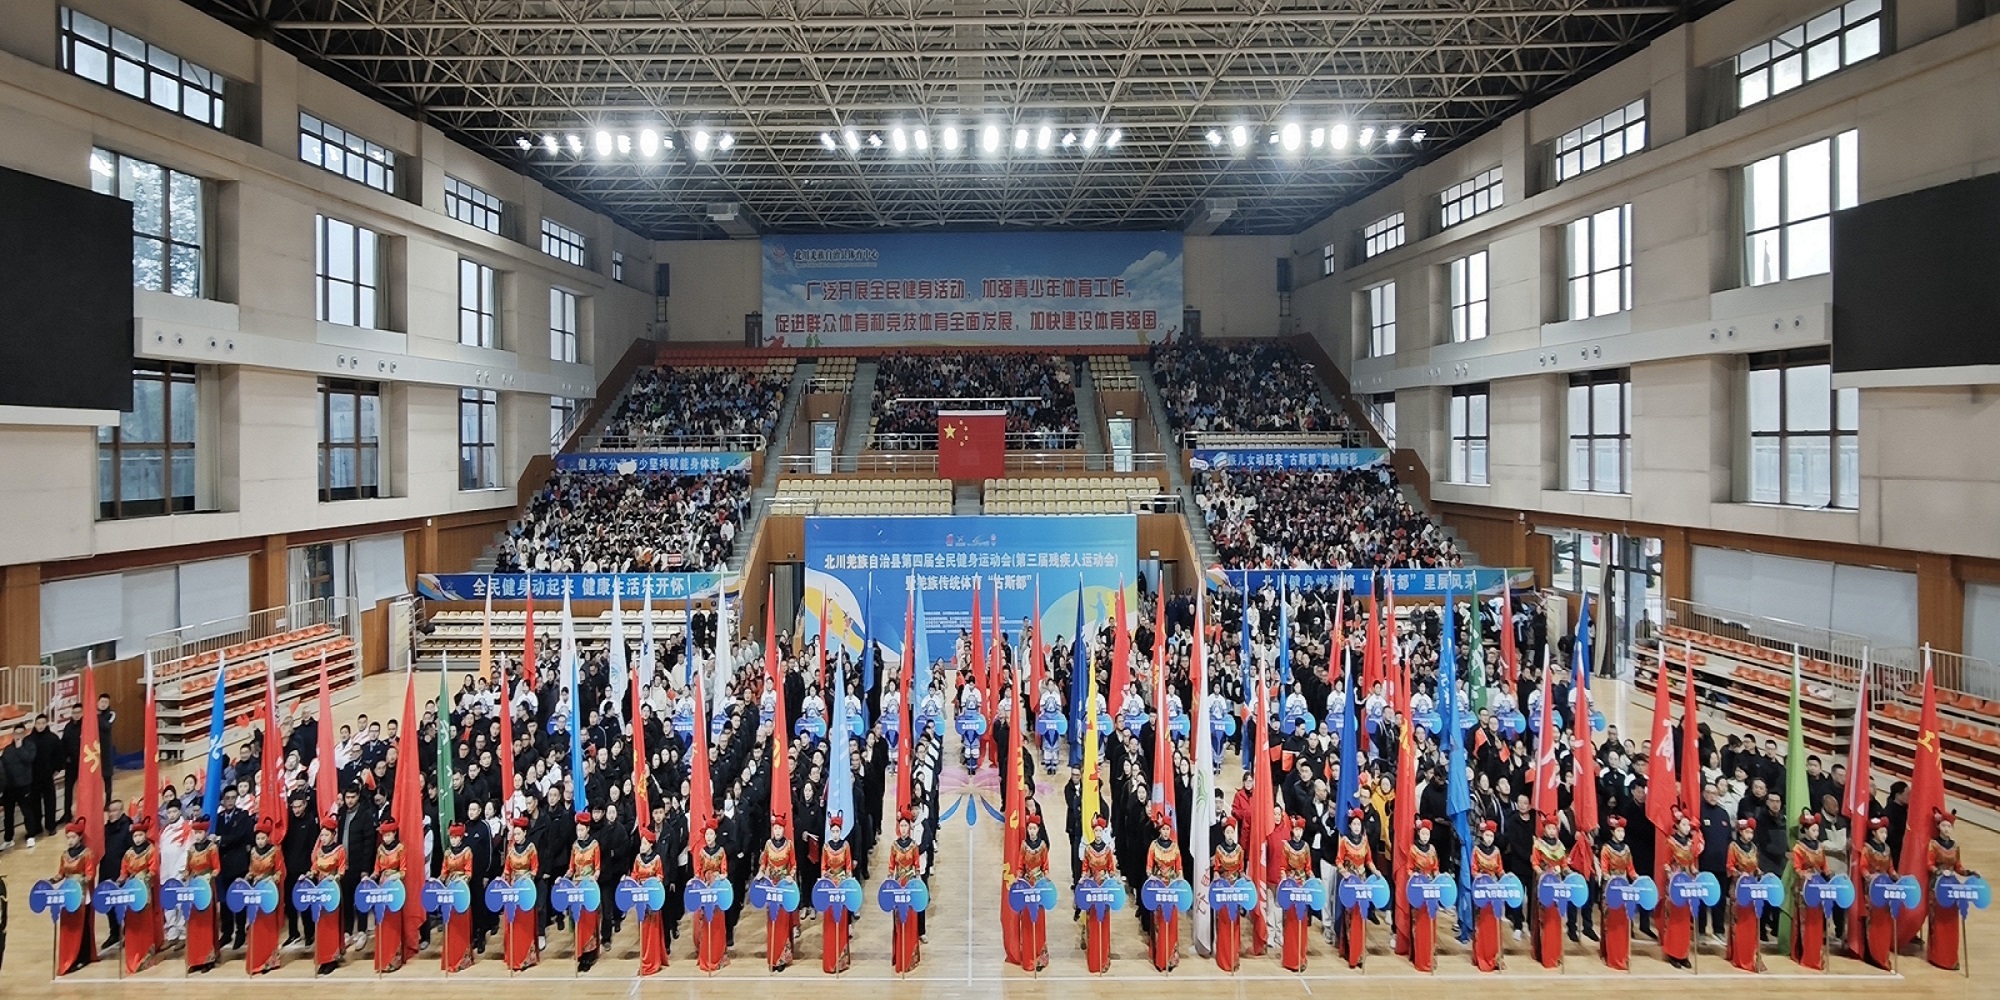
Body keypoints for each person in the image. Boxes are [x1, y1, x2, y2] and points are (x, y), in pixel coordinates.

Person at [116, 816, 163, 974]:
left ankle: (146, 956)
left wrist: (142, 880)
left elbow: (153, 870)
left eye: (140, 835)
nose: (137, 839)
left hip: (144, 891)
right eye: (135, 836)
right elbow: (124, 871)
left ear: (145, 835)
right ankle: (132, 954)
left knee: (144, 923)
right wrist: (120, 881)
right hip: (130, 891)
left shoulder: (151, 850)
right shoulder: (128, 853)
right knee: (132, 923)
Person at [1927, 810, 1971, 970]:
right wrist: (1939, 872)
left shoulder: (1955, 846)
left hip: (1952, 885)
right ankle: (1937, 956)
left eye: (1949, 826)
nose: (1946, 829)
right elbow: (1929, 864)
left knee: (1952, 921)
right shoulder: (1933, 844)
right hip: (1937, 885)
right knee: (1937, 921)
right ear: (1939, 826)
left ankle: (1951, 957)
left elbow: (1958, 866)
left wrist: (1968, 873)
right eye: (1944, 825)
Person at [1851, 815, 1894, 970]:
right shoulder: (1867, 849)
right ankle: (1872, 954)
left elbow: (1890, 869)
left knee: (1885, 921)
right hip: (1872, 891)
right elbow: (1863, 867)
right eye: (1881, 833)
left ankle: (1883, 953)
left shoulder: (1887, 849)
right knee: (1873, 922)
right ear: (1874, 833)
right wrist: (1870, 877)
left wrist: (1896, 877)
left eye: (1885, 833)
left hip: (1886, 890)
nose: (1884, 836)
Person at [1659, 807, 1701, 969]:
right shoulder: (1670, 842)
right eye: (1684, 824)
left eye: (1688, 824)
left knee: (1685, 920)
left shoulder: (1690, 843)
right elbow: (1666, 864)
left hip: (1687, 885)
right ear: (1677, 826)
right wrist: (1672, 877)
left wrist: (1696, 873)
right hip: (1675, 884)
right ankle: (1672, 953)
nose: (1687, 827)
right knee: (1674, 919)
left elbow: (1691, 864)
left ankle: (1683, 953)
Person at [1334, 807, 1374, 968]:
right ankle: (1352, 952)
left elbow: (1369, 860)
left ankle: (1360, 952)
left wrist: (1375, 871)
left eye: (1359, 824)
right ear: (1350, 826)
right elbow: (1338, 860)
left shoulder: (1365, 841)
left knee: (1361, 916)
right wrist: (1343, 872)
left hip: (1362, 882)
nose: (1356, 827)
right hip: (1350, 883)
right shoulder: (1344, 841)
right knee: (1350, 917)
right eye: (1354, 824)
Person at [372, 820, 414, 973]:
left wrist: (394, 875)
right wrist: (371, 878)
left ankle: (394, 958)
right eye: (384, 835)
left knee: (393, 923)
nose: (386, 838)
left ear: (394, 833)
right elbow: (376, 869)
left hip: (395, 887)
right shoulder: (380, 849)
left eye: (388, 834)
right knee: (382, 921)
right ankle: (382, 958)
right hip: (382, 886)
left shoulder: (400, 848)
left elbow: (403, 871)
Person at [1724, 818, 1765, 973]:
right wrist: (1739, 874)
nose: (1750, 835)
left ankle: (1751, 952)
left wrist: (1758, 872)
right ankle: (1738, 953)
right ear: (1740, 832)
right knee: (1738, 921)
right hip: (1739, 887)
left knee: (1751, 921)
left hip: (1752, 888)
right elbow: (1729, 866)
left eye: (1751, 832)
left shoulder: (1754, 848)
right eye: (1747, 832)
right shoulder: (1733, 847)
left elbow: (1755, 866)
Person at [55, 817, 94, 975]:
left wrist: (80, 882)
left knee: (82, 926)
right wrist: (50, 882)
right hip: (68, 893)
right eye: (68, 837)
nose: (70, 840)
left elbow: (90, 873)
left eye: (73, 837)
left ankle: (83, 957)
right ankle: (69, 956)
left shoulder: (87, 853)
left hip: (82, 893)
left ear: (79, 837)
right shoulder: (65, 855)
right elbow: (60, 874)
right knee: (69, 927)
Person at [308, 816, 346, 976]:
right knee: (320, 924)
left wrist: (335, 877)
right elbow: (315, 868)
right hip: (320, 889)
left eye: (326, 835)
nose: (323, 838)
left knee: (331, 924)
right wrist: (309, 874)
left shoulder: (340, 850)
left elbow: (342, 870)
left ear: (333, 835)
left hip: (332, 889)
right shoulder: (319, 851)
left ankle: (332, 958)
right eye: (321, 835)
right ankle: (322, 958)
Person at [245, 818, 284, 975]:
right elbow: (252, 869)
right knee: (256, 925)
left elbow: (280, 871)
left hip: (269, 891)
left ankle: (270, 960)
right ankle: (256, 960)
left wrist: (269, 878)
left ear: (268, 837)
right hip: (256, 891)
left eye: (263, 838)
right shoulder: (253, 852)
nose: (260, 841)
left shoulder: (275, 851)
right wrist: (248, 876)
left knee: (268, 926)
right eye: (258, 838)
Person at [501, 817, 540, 972]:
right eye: (514, 834)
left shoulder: (531, 848)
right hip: (513, 889)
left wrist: (525, 879)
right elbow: (507, 869)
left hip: (526, 890)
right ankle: (514, 957)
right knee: (513, 923)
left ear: (524, 833)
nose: (515, 836)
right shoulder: (510, 849)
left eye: (518, 834)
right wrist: (504, 879)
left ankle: (526, 957)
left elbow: (535, 869)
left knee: (525, 924)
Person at [1078, 815, 1115, 974]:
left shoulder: (1107, 850)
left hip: (1104, 889)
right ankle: (1094, 958)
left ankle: (1104, 957)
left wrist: (1113, 879)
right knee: (1093, 921)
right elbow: (1085, 869)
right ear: (1093, 832)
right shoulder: (1088, 849)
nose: (1098, 833)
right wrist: (1083, 878)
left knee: (1104, 921)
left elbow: (1111, 869)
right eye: (1096, 831)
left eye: (1100, 831)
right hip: (1092, 889)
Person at [184, 819, 221, 974]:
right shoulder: (192, 849)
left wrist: (210, 877)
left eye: (200, 832)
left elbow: (217, 868)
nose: (198, 835)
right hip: (194, 887)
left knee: (206, 924)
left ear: (206, 833)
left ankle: (208, 958)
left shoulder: (212, 848)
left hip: (206, 887)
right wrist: (185, 876)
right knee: (194, 925)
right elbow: (188, 868)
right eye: (196, 833)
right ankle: (195, 959)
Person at [1529, 815, 1567, 969]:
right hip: (1544, 885)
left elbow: (1564, 865)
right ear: (1544, 828)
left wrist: (1569, 874)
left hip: (1557, 886)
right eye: (1549, 828)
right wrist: (1543, 875)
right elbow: (1535, 863)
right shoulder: (1538, 844)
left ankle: (1556, 954)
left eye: (1554, 828)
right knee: (1544, 919)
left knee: (1556, 920)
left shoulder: (1560, 846)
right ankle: (1545, 955)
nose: (1552, 831)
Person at [1211, 817, 1248, 972]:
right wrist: (1216, 875)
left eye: (1232, 832)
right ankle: (1223, 958)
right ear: (1224, 834)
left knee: (1235, 923)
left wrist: (1244, 876)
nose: (1230, 835)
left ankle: (1234, 958)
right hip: (1223, 891)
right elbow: (1216, 869)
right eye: (1227, 832)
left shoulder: (1240, 850)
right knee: (1224, 923)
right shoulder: (1219, 850)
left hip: (1235, 892)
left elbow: (1240, 870)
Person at [693, 820, 730, 973]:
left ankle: (717, 954)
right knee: (704, 923)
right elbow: (697, 871)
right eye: (706, 834)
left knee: (717, 924)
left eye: (711, 834)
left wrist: (720, 877)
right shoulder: (700, 852)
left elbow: (724, 871)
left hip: (717, 891)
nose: (708, 837)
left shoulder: (721, 852)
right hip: (704, 891)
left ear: (715, 835)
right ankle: (705, 956)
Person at [1015, 813, 1051, 972]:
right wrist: (1018, 876)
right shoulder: (1023, 846)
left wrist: (1046, 876)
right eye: (1030, 828)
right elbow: (1020, 865)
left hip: (1039, 886)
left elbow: (1046, 866)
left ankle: (1040, 956)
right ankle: (1028, 957)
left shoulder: (1043, 846)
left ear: (1038, 829)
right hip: (1026, 887)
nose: (1032, 831)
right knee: (1028, 921)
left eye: (1034, 828)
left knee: (1039, 920)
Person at [1146, 817, 1181, 972]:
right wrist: (1152, 877)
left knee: (1171, 922)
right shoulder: (1153, 846)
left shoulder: (1175, 847)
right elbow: (1149, 868)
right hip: (1158, 890)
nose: (1166, 832)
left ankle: (1171, 958)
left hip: (1171, 889)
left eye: (1168, 829)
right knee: (1159, 922)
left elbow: (1179, 870)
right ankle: (1160, 958)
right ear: (1159, 830)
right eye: (1164, 829)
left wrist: (1178, 880)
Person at [568, 812, 602, 972]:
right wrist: (564, 878)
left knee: (589, 921)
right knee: (578, 920)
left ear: (587, 829)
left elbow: (597, 868)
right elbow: (571, 868)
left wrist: (593, 879)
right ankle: (580, 952)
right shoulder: (575, 846)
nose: (579, 833)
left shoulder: (594, 845)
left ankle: (589, 954)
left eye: (582, 830)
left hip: (589, 887)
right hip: (576, 886)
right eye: (577, 830)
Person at [1278, 816, 1312, 972]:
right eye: (1296, 830)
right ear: (1292, 830)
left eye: (1301, 830)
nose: (1298, 833)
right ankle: (1291, 959)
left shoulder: (1306, 847)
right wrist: (1285, 881)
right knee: (1291, 922)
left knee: (1302, 922)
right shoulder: (1286, 847)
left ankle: (1302, 957)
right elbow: (1282, 867)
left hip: (1303, 887)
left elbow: (1308, 868)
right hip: (1291, 887)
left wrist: (1312, 880)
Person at [440, 823, 475, 972]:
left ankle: (463, 958)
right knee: (450, 923)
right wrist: (439, 880)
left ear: (461, 837)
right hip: (449, 890)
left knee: (461, 924)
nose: (453, 840)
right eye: (452, 838)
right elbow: (444, 871)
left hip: (461, 891)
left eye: (456, 837)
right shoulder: (448, 853)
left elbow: (468, 873)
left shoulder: (467, 852)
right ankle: (450, 957)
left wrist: (459, 884)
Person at [1471, 820, 1506, 972]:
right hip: (1481, 890)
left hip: (1494, 892)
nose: (1489, 838)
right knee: (1481, 923)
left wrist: (1506, 878)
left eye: (1491, 836)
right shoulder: (1476, 851)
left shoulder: (1497, 852)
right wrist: (1479, 876)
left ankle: (1495, 956)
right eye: (1486, 835)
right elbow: (1473, 870)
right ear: (1482, 835)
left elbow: (1500, 870)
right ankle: (1481, 955)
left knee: (1495, 923)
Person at [819, 816, 853, 974]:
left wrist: (844, 880)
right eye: (832, 831)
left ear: (841, 831)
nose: (835, 834)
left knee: (841, 920)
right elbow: (823, 867)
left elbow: (848, 868)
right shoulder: (826, 847)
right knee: (830, 923)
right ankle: (830, 959)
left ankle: (841, 960)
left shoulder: (846, 846)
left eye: (837, 831)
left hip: (841, 889)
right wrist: (826, 877)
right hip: (829, 889)